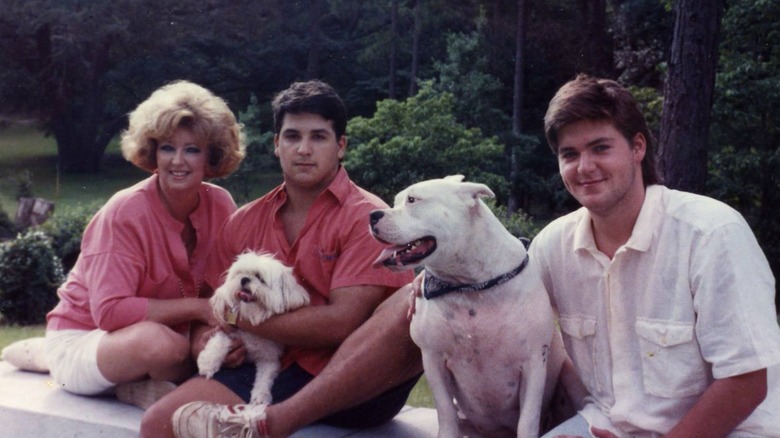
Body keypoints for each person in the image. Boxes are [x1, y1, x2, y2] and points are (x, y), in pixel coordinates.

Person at [141, 80, 420, 438]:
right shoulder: (244, 222)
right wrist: (209, 342)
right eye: (292, 136)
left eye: (319, 137)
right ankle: (259, 417)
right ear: (276, 145)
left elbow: (341, 323)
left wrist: (237, 315)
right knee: (160, 424)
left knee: (414, 298)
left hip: (353, 380)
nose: (304, 149)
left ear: (341, 147)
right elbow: (211, 306)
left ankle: (274, 423)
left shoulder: (365, 218)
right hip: (267, 363)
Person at [534, 74, 780, 437]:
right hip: (607, 425)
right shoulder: (552, 245)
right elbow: (501, 303)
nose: (584, 167)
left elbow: (747, 381)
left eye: (600, 148)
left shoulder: (711, 233)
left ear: (638, 147)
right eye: (569, 154)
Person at [45, 80, 246, 408]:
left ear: (212, 156)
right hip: (86, 340)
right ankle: (121, 387)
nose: (177, 161)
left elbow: (220, 294)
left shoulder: (221, 205)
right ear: (153, 151)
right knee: (161, 345)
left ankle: (142, 385)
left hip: (173, 336)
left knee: (208, 345)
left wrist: (212, 337)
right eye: (168, 147)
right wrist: (198, 310)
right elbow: (110, 312)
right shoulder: (125, 211)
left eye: (192, 149)